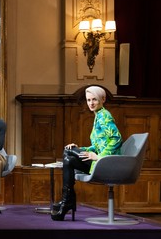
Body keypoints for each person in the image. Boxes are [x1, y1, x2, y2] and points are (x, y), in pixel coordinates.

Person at [51, 85, 122, 221]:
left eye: (94, 99)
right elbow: (97, 146)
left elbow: (116, 138)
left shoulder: (104, 116)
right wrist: (82, 149)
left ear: (103, 99)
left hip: (107, 163)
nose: (91, 103)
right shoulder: (98, 116)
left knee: (68, 153)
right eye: (89, 100)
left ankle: (68, 201)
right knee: (69, 157)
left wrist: (99, 156)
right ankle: (67, 200)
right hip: (100, 161)